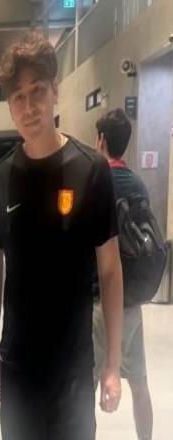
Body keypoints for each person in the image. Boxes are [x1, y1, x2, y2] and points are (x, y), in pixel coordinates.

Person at [0, 31, 123, 440]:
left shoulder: (91, 170)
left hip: (73, 371)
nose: (29, 107)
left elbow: (111, 271)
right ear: (10, 107)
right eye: (19, 98)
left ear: (55, 91)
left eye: (38, 92)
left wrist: (113, 365)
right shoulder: (1, 177)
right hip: (18, 368)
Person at [93, 108, 153, 440]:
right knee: (139, 384)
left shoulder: (97, 181)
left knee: (85, 385)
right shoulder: (138, 185)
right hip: (131, 303)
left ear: (101, 140)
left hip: (99, 301)